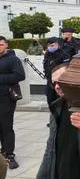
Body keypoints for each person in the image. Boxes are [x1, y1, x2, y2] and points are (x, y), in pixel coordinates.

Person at [0, 36, 26, 169]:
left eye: (0, 44)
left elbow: (20, 75)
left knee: (6, 127)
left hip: (6, 98)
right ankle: (2, 152)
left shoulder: (13, 59)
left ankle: (9, 154)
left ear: (6, 45)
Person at [43, 37, 70, 106]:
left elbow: (66, 69)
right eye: (49, 45)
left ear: (57, 45)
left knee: (60, 103)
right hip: (50, 82)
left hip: (59, 83)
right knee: (50, 100)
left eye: (52, 45)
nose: (50, 47)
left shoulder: (64, 55)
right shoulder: (47, 55)